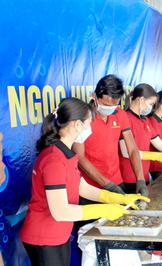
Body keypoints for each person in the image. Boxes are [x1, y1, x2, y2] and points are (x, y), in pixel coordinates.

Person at [19, 98, 150, 266]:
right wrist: (104, 210)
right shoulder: (54, 159)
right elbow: (60, 211)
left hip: (58, 233)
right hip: (43, 236)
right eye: (89, 123)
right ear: (77, 125)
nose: (90, 128)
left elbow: (83, 188)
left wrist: (120, 199)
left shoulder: (66, 153)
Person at [72, 75, 148, 197]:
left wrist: (140, 179)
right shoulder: (83, 119)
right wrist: (107, 185)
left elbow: (133, 149)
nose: (110, 109)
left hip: (117, 182)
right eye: (106, 105)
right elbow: (79, 158)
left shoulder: (120, 115)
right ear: (94, 96)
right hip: (91, 189)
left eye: (114, 106)